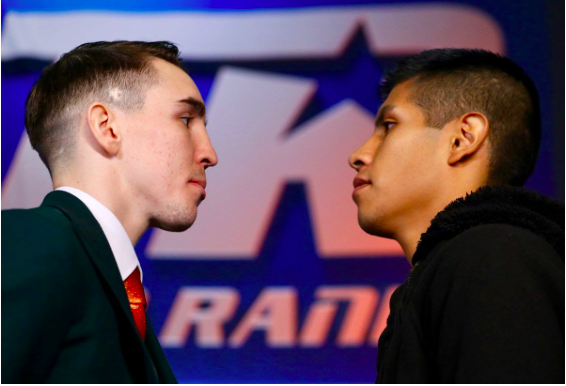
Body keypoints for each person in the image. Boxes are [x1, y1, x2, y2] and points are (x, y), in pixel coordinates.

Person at [2, 41, 217, 383]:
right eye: (186, 119)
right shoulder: (31, 243)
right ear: (107, 127)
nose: (209, 153)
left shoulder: (110, 286)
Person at [348, 48, 564, 383]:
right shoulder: (459, 265)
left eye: (389, 126)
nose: (358, 155)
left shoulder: (494, 255)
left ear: (463, 138)